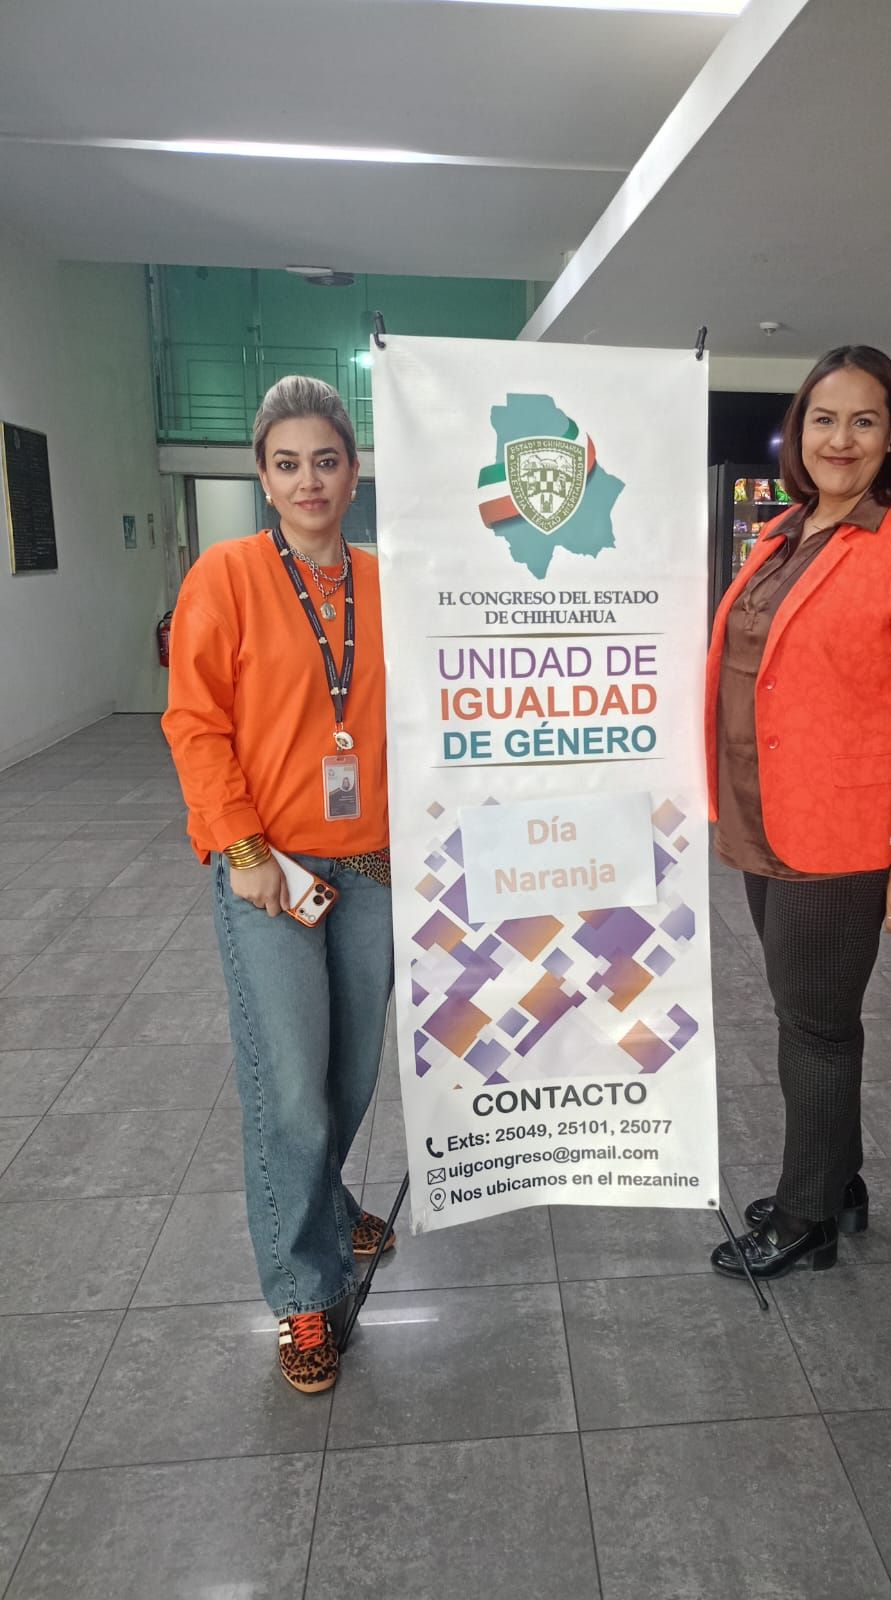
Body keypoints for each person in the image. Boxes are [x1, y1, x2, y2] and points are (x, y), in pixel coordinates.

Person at [705, 345, 891, 1279]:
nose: (841, 439)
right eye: (824, 419)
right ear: (798, 432)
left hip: (843, 832)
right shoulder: (785, 532)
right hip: (762, 818)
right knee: (812, 1014)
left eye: (864, 421)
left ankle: (807, 1217)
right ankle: (841, 1182)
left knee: (814, 1027)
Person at [163, 376, 395, 1392]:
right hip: (271, 874)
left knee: (348, 1080)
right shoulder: (226, 576)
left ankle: (329, 1205)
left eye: (326, 461)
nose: (310, 481)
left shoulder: (388, 584)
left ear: (354, 472)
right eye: (288, 463)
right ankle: (304, 1290)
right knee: (292, 1086)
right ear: (263, 478)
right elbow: (195, 723)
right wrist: (243, 849)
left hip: (375, 867)